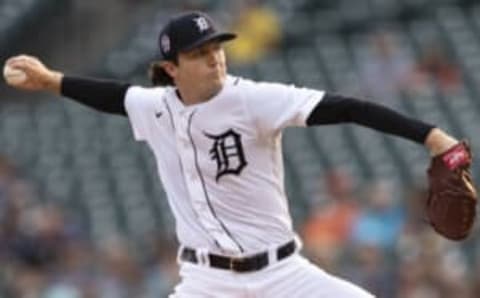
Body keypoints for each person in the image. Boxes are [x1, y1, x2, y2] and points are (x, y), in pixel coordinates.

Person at [4, 11, 462, 298]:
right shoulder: (155, 106)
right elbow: (112, 96)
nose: (215, 58)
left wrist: (431, 136)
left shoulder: (253, 99)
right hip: (208, 283)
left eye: (216, 48)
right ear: (171, 68)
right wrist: (50, 79)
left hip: (283, 274)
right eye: (199, 53)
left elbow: (348, 108)